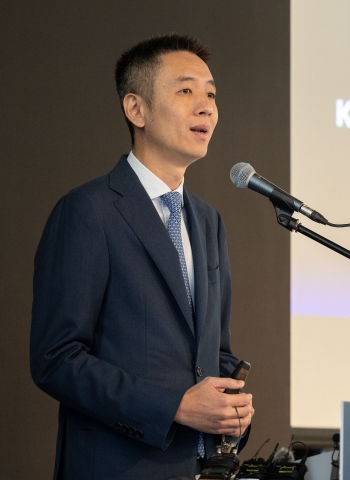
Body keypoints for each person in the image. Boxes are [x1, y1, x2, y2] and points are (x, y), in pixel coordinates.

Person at [30, 34, 254, 479]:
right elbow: (56, 358)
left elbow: (216, 354)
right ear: (136, 109)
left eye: (211, 93)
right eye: (186, 90)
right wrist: (175, 406)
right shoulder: (88, 211)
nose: (206, 106)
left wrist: (232, 411)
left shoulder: (208, 222)